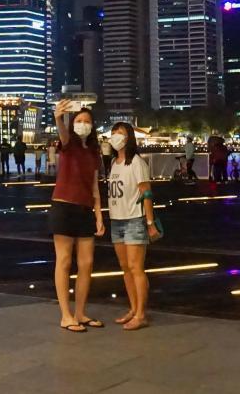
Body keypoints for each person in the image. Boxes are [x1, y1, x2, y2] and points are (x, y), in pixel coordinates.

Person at [51, 100, 105, 332]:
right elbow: (62, 134)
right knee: (64, 261)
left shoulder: (93, 151)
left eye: (87, 121)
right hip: (63, 207)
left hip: (85, 210)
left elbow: (94, 187)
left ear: (93, 126)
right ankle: (66, 315)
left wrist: (99, 215)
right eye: (79, 121)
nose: (83, 124)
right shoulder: (68, 144)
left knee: (86, 263)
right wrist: (58, 118)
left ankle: (80, 312)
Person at [106, 122, 159, 330]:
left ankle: (141, 314)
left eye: (120, 133)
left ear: (129, 138)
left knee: (136, 267)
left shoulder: (136, 163)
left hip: (134, 219)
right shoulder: (113, 163)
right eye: (113, 133)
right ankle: (133, 308)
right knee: (125, 267)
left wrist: (149, 222)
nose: (116, 137)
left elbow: (146, 193)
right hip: (116, 219)